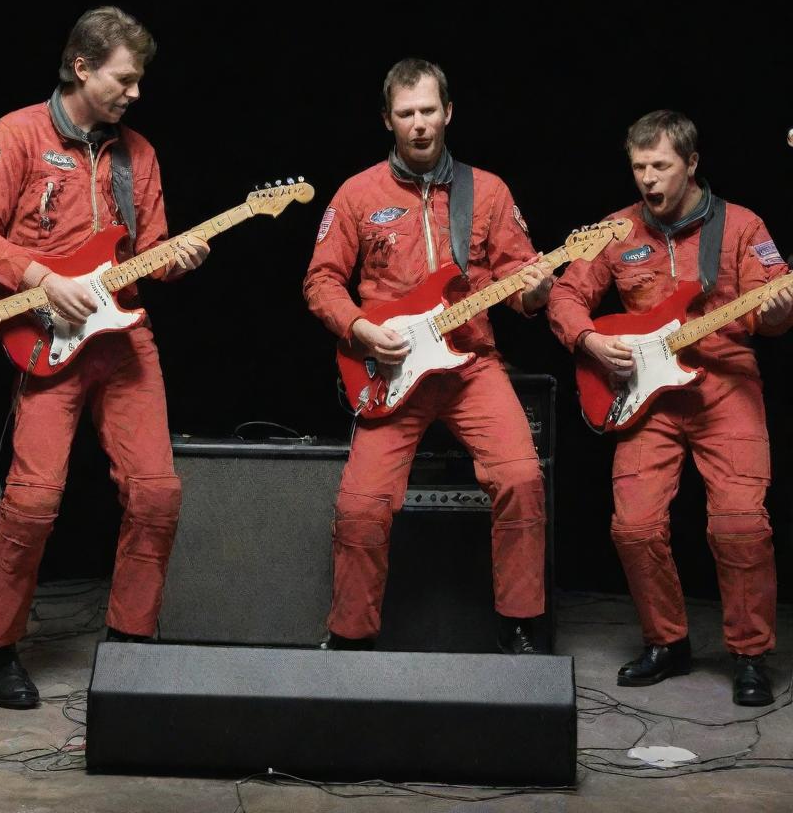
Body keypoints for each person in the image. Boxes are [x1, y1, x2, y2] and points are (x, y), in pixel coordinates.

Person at [0, 6, 208, 709]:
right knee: (34, 502)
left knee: (157, 493)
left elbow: (151, 254)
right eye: (124, 79)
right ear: (83, 67)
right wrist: (41, 279)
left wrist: (179, 259)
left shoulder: (140, 154)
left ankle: (132, 644)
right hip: (50, 341)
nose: (135, 94)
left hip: (125, 341)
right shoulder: (16, 133)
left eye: (140, 81)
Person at [303, 58, 554, 654]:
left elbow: (520, 280)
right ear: (387, 119)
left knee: (521, 477)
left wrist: (535, 292)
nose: (419, 124)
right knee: (361, 507)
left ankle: (518, 624)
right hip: (391, 369)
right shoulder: (357, 193)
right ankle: (351, 638)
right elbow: (320, 283)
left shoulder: (487, 191)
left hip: (472, 366)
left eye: (428, 111)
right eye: (406, 113)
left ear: (448, 112)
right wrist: (362, 330)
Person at [547, 110, 793, 705]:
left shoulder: (740, 225)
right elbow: (566, 294)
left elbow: (772, 317)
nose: (649, 180)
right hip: (648, 399)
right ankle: (667, 641)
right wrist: (591, 341)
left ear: (692, 164)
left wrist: (781, 307)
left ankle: (750, 653)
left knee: (739, 525)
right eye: (639, 167)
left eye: (661, 166)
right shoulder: (616, 228)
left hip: (724, 387)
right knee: (632, 526)